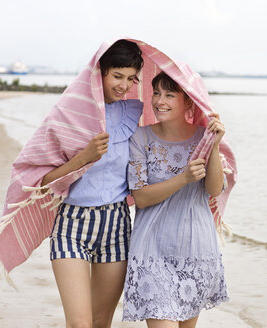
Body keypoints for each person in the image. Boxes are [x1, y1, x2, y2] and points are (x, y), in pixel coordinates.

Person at [41, 39, 144, 328]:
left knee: (101, 322)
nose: (124, 85)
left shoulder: (135, 113)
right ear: (100, 72)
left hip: (116, 224)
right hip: (72, 224)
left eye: (131, 78)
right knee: (80, 323)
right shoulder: (69, 112)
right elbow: (43, 181)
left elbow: (168, 132)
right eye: (117, 76)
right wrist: (84, 157)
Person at [122, 72, 229, 328]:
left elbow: (214, 189)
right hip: (152, 251)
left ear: (189, 102)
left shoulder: (204, 138)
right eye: (156, 93)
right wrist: (183, 178)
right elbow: (141, 197)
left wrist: (214, 146)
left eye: (170, 94)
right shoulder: (140, 138)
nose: (160, 101)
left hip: (197, 250)